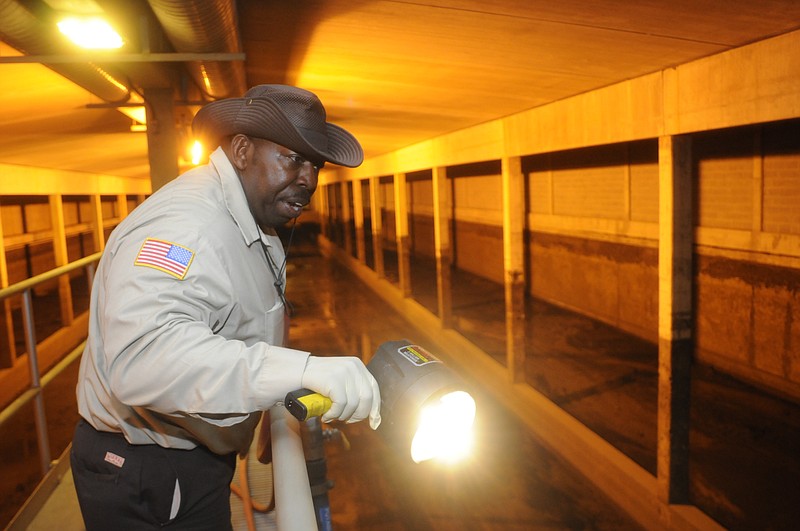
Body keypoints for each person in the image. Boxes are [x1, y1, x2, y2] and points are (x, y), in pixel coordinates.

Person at [71, 84, 381, 530]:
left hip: (187, 460)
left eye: (316, 165)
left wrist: (271, 408)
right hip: (149, 472)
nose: (309, 179)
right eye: (292, 158)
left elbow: (262, 308)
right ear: (240, 150)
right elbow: (143, 358)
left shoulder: (254, 216)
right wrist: (300, 371)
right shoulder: (186, 228)